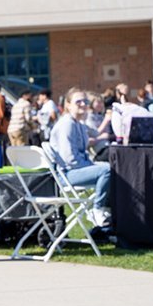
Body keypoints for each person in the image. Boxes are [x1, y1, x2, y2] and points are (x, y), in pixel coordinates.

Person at [49, 87, 113, 227]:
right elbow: (70, 159)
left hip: (76, 168)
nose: (84, 104)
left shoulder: (78, 123)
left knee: (114, 167)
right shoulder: (67, 124)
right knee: (107, 169)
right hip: (67, 174)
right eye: (78, 102)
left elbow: (94, 134)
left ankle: (108, 213)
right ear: (68, 105)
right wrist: (91, 166)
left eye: (85, 101)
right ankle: (97, 210)